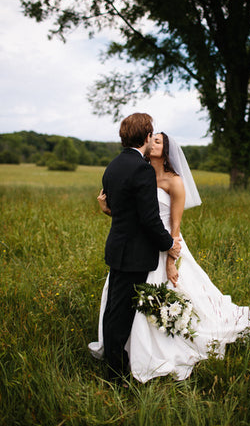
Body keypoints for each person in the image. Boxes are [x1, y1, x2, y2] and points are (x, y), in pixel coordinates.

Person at [90, 132, 250, 383]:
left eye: (158, 141)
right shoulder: (138, 171)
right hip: (136, 248)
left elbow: (174, 227)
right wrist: (106, 209)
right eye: (151, 139)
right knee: (124, 302)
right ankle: (124, 351)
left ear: (166, 151)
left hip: (164, 245)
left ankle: (158, 350)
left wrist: (170, 261)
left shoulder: (174, 181)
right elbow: (132, 216)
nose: (152, 143)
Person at [88, 114, 181, 383]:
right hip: (135, 254)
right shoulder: (140, 169)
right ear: (146, 135)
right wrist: (169, 246)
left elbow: (121, 208)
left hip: (118, 248)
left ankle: (116, 360)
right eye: (151, 134)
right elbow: (148, 218)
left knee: (114, 309)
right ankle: (116, 374)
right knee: (121, 314)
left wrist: (107, 209)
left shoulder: (114, 165)